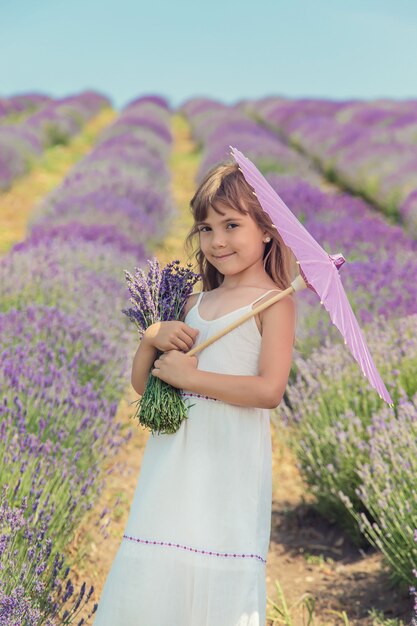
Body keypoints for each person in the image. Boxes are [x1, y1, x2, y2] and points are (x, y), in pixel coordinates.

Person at [92, 160, 298, 625]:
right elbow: (148, 388)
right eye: (206, 228)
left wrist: (192, 379)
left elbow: (269, 390)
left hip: (228, 459)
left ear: (266, 230)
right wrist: (152, 338)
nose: (217, 241)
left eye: (232, 225)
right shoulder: (192, 303)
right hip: (175, 459)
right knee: (163, 559)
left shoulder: (275, 304)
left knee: (215, 557)